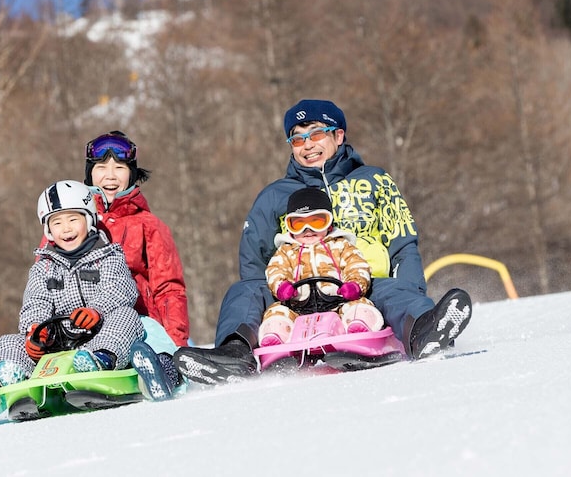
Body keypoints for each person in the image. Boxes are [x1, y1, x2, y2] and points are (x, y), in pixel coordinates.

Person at [175, 99, 471, 384]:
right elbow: (254, 260)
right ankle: (235, 353)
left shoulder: (374, 180)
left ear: (338, 135)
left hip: (362, 287)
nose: (308, 145)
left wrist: (412, 294)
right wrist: (272, 304)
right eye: (298, 139)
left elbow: (403, 243)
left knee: (394, 290)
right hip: (294, 294)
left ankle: (424, 330)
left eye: (316, 134)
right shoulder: (275, 195)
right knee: (242, 291)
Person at [0, 180, 175, 426]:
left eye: (73, 220)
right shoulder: (43, 266)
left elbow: (121, 288)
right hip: (55, 344)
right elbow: (35, 301)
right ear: (48, 230)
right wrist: (35, 331)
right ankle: (6, 382)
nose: (66, 229)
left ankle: (100, 361)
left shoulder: (109, 256)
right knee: (6, 342)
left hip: (97, 335)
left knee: (127, 319)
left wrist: (96, 311)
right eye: (57, 223)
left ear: (88, 220)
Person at [80, 130, 190, 348]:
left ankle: (155, 365)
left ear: (131, 174)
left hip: (136, 324)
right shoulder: (71, 221)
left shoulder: (148, 226)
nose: (110, 176)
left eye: (119, 168)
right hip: (79, 324)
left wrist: (175, 345)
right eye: (101, 168)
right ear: (90, 173)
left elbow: (169, 290)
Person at [258, 187, 384, 347]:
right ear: (289, 226)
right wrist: (282, 287)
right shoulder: (286, 251)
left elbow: (357, 265)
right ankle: (276, 336)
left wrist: (354, 285)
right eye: (299, 224)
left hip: (338, 303)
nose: (308, 230)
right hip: (298, 306)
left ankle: (359, 327)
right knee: (276, 312)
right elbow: (275, 270)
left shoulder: (340, 245)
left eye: (316, 222)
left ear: (329, 223)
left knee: (360, 305)